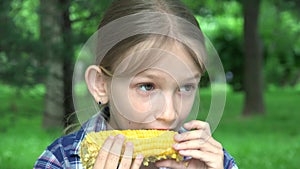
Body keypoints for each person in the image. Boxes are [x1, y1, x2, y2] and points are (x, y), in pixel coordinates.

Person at [34, 0, 238, 168]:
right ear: (101, 85)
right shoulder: (59, 161)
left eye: (185, 87)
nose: (170, 114)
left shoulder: (211, 161)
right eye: (147, 86)